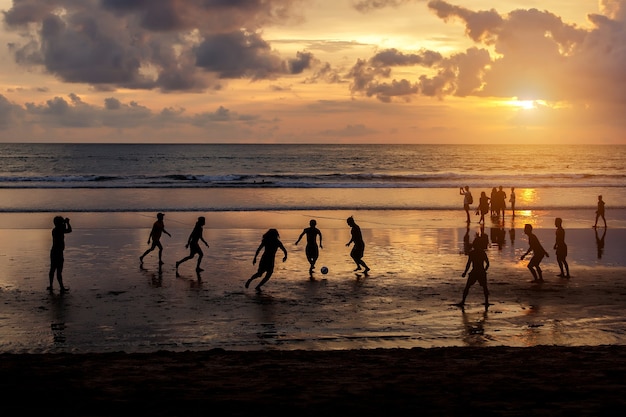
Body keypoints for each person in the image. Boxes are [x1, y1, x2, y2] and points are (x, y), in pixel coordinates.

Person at [458, 235, 490, 308]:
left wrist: (465, 273)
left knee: (467, 287)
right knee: (484, 287)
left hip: (474, 271)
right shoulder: (482, 253)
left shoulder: (472, 253)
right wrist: (484, 271)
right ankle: (487, 301)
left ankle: (463, 301)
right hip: (481, 272)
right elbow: (488, 264)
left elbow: (468, 264)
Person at [49, 216, 72, 292]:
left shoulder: (55, 230)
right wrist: (67, 223)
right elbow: (69, 230)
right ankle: (61, 287)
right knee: (58, 270)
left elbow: (65, 229)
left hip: (55, 252)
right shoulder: (58, 230)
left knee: (53, 269)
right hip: (58, 252)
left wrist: (65, 223)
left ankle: (51, 285)